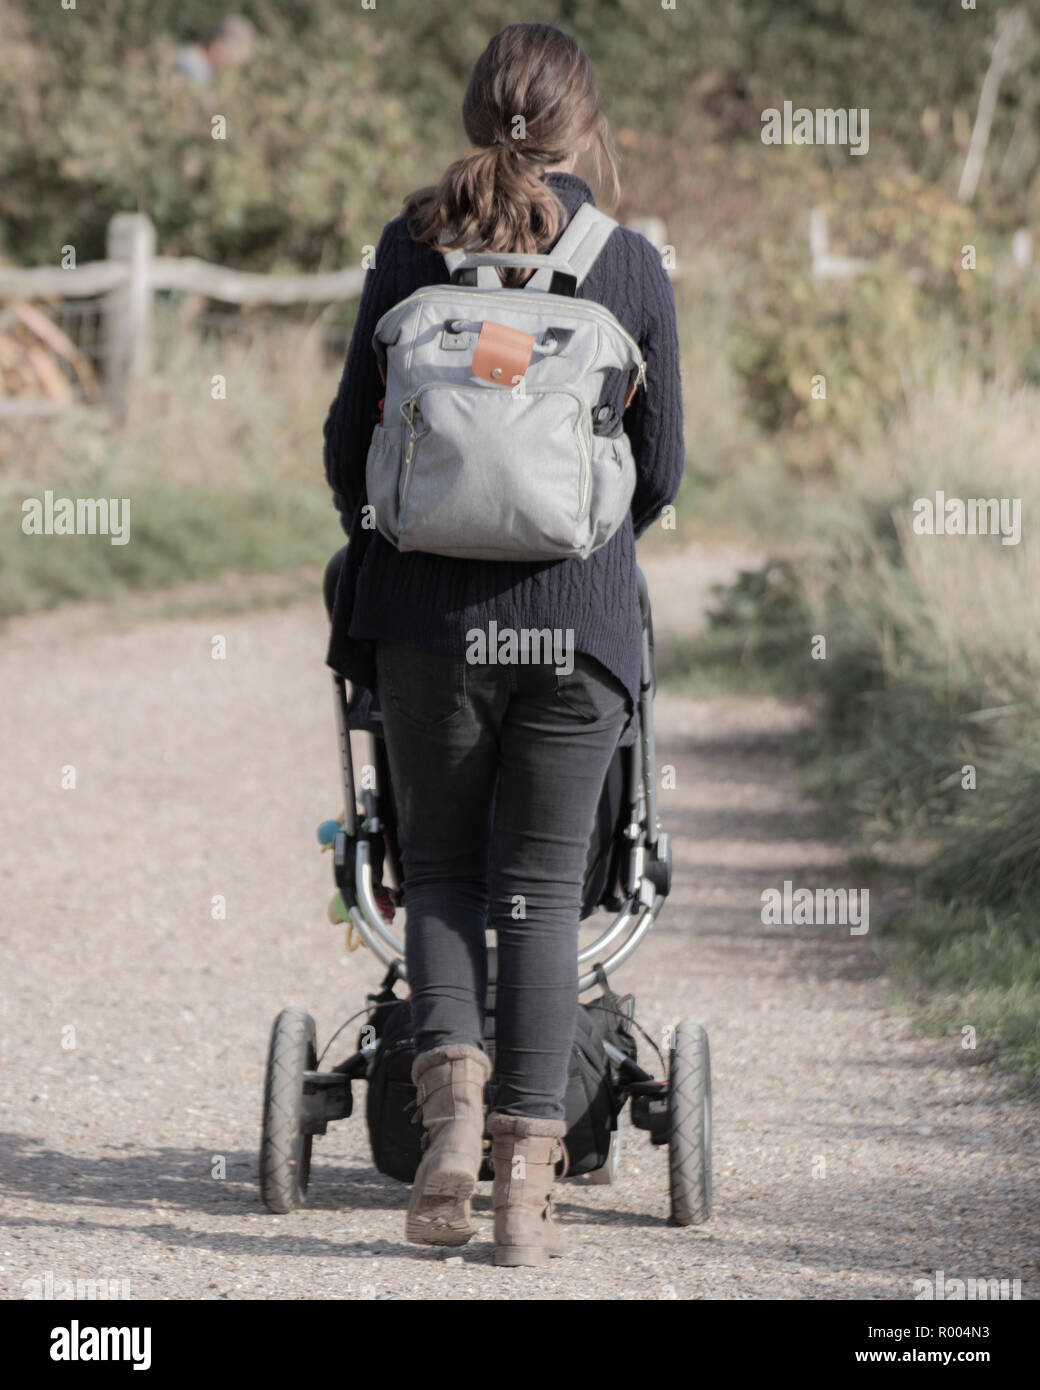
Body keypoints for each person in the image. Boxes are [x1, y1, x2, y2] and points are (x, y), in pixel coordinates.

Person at [322, 21, 684, 1267]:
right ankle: (525, 1195)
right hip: (576, 629)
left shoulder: (406, 246)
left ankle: (447, 1124)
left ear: (476, 114)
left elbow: (345, 448)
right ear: (585, 126)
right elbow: (664, 470)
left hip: (425, 625)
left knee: (440, 876)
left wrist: (414, 542)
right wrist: (576, 546)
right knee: (537, 898)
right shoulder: (626, 265)